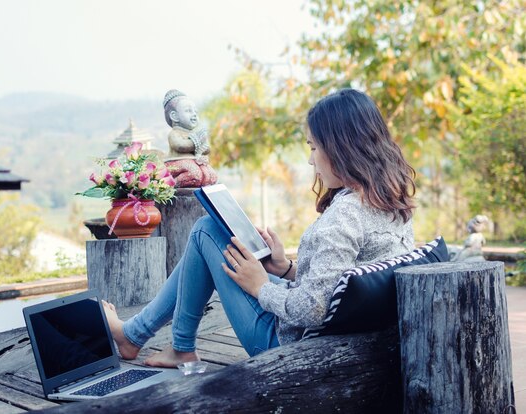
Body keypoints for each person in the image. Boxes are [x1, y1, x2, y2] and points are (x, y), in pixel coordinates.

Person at [103, 88, 416, 367]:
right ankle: (152, 339)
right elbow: (345, 279)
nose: (310, 161)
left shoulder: (345, 215)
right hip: (340, 334)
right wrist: (285, 268)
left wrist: (260, 286)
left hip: (288, 346)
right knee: (212, 233)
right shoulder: (390, 198)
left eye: (313, 147)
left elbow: (312, 309)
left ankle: (156, 341)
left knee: (204, 232)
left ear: (340, 148)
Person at [163, 89, 218, 187]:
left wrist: (204, 145)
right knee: (194, 174)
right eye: (188, 110)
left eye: (195, 111)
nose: (194, 114)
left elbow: (206, 149)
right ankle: (169, 185)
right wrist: (196, 142)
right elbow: (180, 146)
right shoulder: (174, 133)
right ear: (174, 116)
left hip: (194, 162)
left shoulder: (195, 133)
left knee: (211, 176)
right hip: (176, 164)